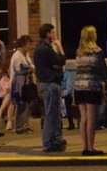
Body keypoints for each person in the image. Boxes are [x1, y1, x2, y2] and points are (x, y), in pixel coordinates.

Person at [73, 25, 107, 156]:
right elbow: (102, 69)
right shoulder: (97, 51)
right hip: (92, 86)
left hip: (78, 86)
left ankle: (84, 146)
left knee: (83, 118)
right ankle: (91, 147)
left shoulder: (78, 52)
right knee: (92, 118)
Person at [34, 23, 67, 152]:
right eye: (53, 32)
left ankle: (54, 139)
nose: (54, 35)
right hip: (50, 84)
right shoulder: (46, 49)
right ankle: (49, 141)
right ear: (47, 33)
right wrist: (60, 47)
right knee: (51, 114)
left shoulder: (40, 48)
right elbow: (60, 60)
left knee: (53, 113)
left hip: (45, 83)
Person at [8, 35, 35, 134]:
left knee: (28, 103)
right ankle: (19, 126)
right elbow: (19, 69)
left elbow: (31, 65)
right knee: (21, 104)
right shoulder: (17, 55)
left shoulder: (25, 55)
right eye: (28, 44)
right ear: (23, 44)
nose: (30, 46)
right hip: (19, 83)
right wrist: (29, 69)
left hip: (26, 82)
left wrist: (30, 68)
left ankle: (24, 124)